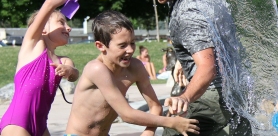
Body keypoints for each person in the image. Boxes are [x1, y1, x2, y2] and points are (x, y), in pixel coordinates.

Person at [147, 0, 252, 135]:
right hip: (237, 88)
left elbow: (208, 68)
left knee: (173, 129)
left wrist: (185, 97)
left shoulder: (189, 13)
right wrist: (184, 57)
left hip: (213, 94)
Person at [65, 10, 199, 136]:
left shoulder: (135, 67)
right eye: (122, 45)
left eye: (133, 43)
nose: (130, 50)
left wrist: (149, 132)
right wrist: (172, 123)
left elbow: (155, 106)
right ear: (100, 46)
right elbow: (126, 114)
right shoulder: (96, 69)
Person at [0, 0, 91, 136]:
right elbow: (50, 3)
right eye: (61, 22)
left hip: (41, 126)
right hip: (17, 123)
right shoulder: (32, 46)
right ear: (42, 29)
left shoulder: (64, 60)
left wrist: (69, 71)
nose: (68, 27)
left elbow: (74, 74)